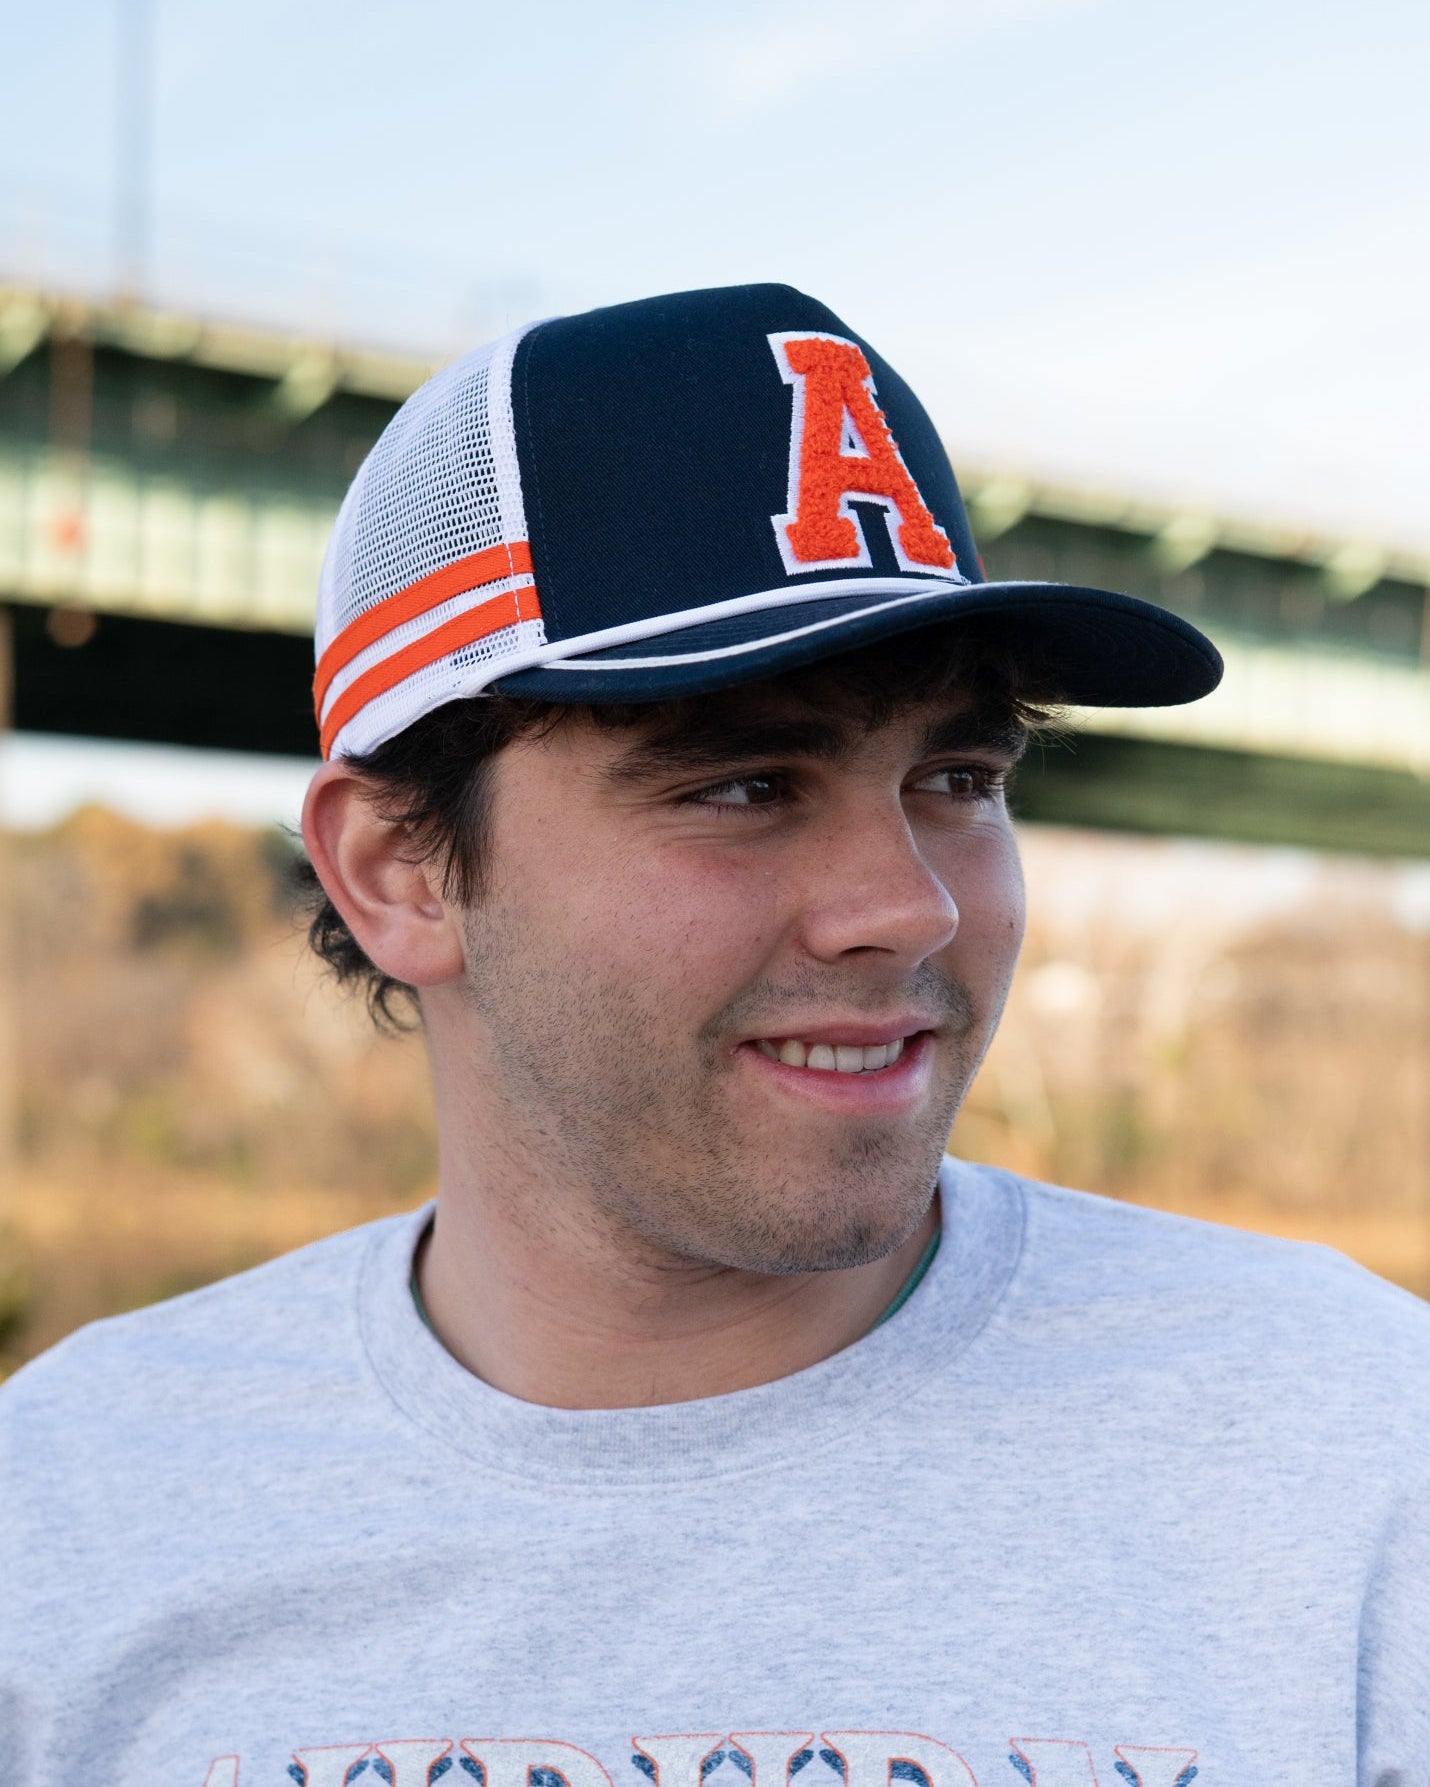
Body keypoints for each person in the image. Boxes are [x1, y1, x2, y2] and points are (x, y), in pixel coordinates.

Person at [1, 284, 1426, 1787]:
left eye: (954, 775)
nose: (907, 906)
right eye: (744, 784)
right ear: (397, 874)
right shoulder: (71, 1508)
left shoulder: (1354, 1442)